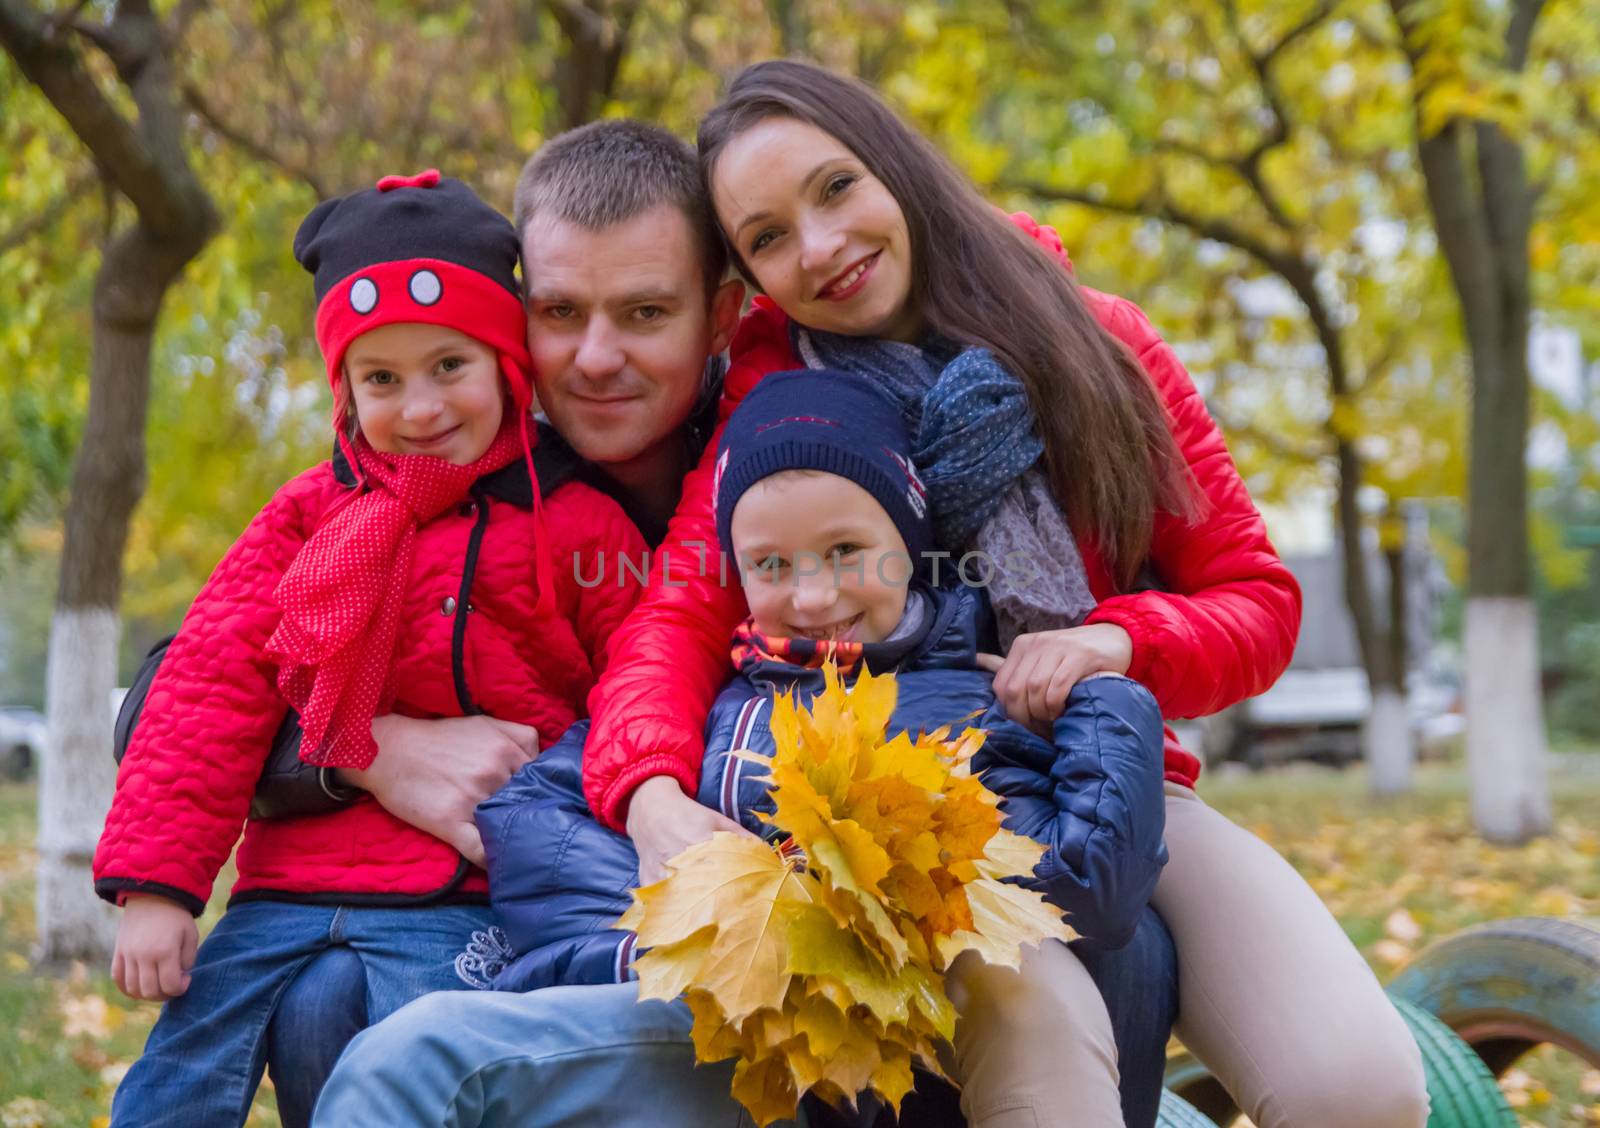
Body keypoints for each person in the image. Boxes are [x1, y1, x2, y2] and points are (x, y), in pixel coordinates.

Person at [576, 60, 1431, 1128]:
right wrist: (650, 794)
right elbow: (671, 621)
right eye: (769, 237)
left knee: (1358, 1087)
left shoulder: (1098, 343)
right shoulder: (780, 398)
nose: (822, 248)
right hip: (889, 805)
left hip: (1104, 773)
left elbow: (1253, 602)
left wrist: (1113, 643)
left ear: (893, 166)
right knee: (1041, 1042)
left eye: (835, 190)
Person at [310, 121, 1180, 1128]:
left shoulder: (804, 449)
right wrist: (358, 752)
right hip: (546, 904)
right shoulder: (435, 458)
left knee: (1127, 948)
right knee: (341, 1002)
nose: (596, 358)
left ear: (720, 316)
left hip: (814, 901)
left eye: (643, 311)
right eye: (559, 312)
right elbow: (197, 679)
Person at [92, 170, 646, 1128]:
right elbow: (206, 688)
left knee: (417, 1080)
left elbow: (638, 688)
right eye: (381, 378)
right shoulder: (312, 517)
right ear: (345, 390)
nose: (420, 406)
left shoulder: (574, 522)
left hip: (465, 892)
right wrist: (155, 889)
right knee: (174, 1084)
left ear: (507, 364)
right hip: (286, 887)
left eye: (449, 366)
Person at [475, 367, 1169, 1128]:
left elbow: (1085, 890)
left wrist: (1104, 702)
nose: (811, 597)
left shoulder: (974, 703)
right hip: (721, 1055)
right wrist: (711, 918)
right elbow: (529, 828)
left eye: (845, 551)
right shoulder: (713, 708)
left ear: (908, 546)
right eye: (771, 565)